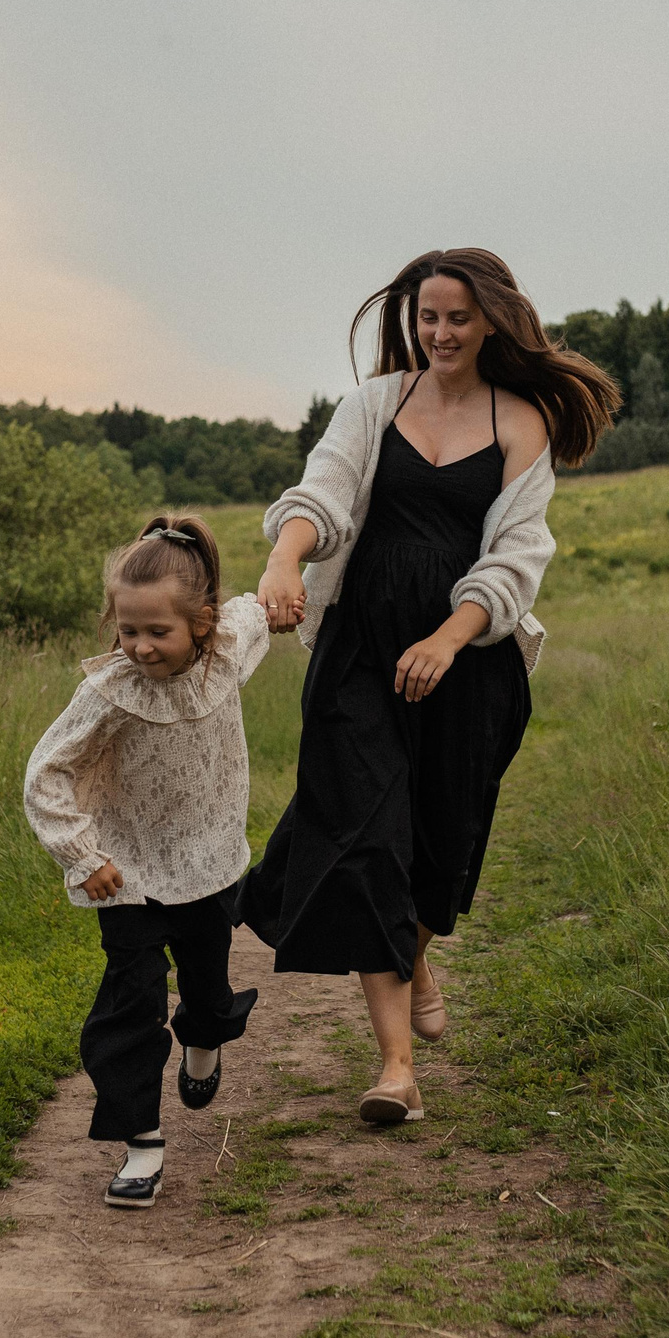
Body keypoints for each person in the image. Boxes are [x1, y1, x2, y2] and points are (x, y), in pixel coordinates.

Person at [244, 249, 618, 1123]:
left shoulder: (521, 421)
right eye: (427, 317)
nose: (440, 333)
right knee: (366, 838)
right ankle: (396, 1071)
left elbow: (516, 558)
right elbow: (325, 492)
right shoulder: (376, 403)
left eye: (456, 317)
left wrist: (450, 639)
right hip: (362, 651)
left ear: (491, 321)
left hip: (468, 662)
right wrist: (285, 558)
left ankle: (414, 956)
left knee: (438, 849)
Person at [23, 516, 268, 1208]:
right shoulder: (109, 691)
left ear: (201, 622)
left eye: (158, 631)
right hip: (127, 874)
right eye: (128, 629)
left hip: (209, 865)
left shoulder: (227, 653)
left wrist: (288, 589)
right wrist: (82, 855)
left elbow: (261, 606)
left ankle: (204, 1038)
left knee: (208, 991)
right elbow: (46, 774)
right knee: (130, 1003)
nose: (140, 646)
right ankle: (141, 1143)